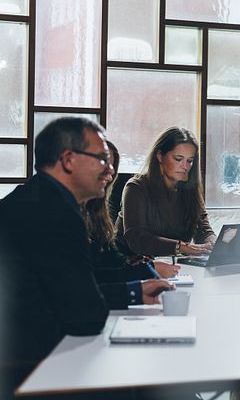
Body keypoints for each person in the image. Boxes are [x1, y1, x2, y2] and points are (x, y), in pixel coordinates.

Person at [0, 118, 172, 396]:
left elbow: (74, 285)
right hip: (29, 367)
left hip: (26, 352)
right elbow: (87, 315)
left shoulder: (34, 198)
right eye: (103, 159)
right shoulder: (54, 213)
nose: (111, 169)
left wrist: (133, 291)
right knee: (158, 380)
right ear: (68, 159)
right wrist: (127, 293)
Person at [84, 141, 180, 282]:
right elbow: (89, 278)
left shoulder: (95, 208)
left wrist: (131, 261)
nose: (109, 175)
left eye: (111, 168)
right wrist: (147, 270)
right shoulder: (65, 212)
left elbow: (109, 255)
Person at [116, 126, 216, 257]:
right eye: (178, 159)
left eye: (190, 161)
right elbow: (137, 238)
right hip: (133, 266)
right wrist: (183, 247)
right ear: (159, 156)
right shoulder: (136, 187)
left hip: (174, 265)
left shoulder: (190, 189)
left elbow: (203, 230)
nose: (185, 167)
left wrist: (213, 243)